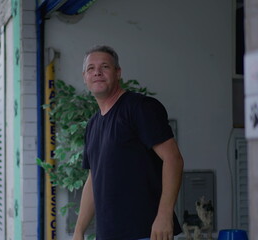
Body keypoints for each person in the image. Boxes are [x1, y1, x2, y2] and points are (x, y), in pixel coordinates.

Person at [72, 45, 184, 240]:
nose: (97, 72)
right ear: (85, 77)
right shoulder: (92, 125)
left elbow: (173, 159)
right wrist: (79, 231)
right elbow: (93, 178)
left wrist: (165, 216)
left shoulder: (140, 108)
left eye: (105, 66)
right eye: (91, 68)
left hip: (147, 232)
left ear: (118, 73)